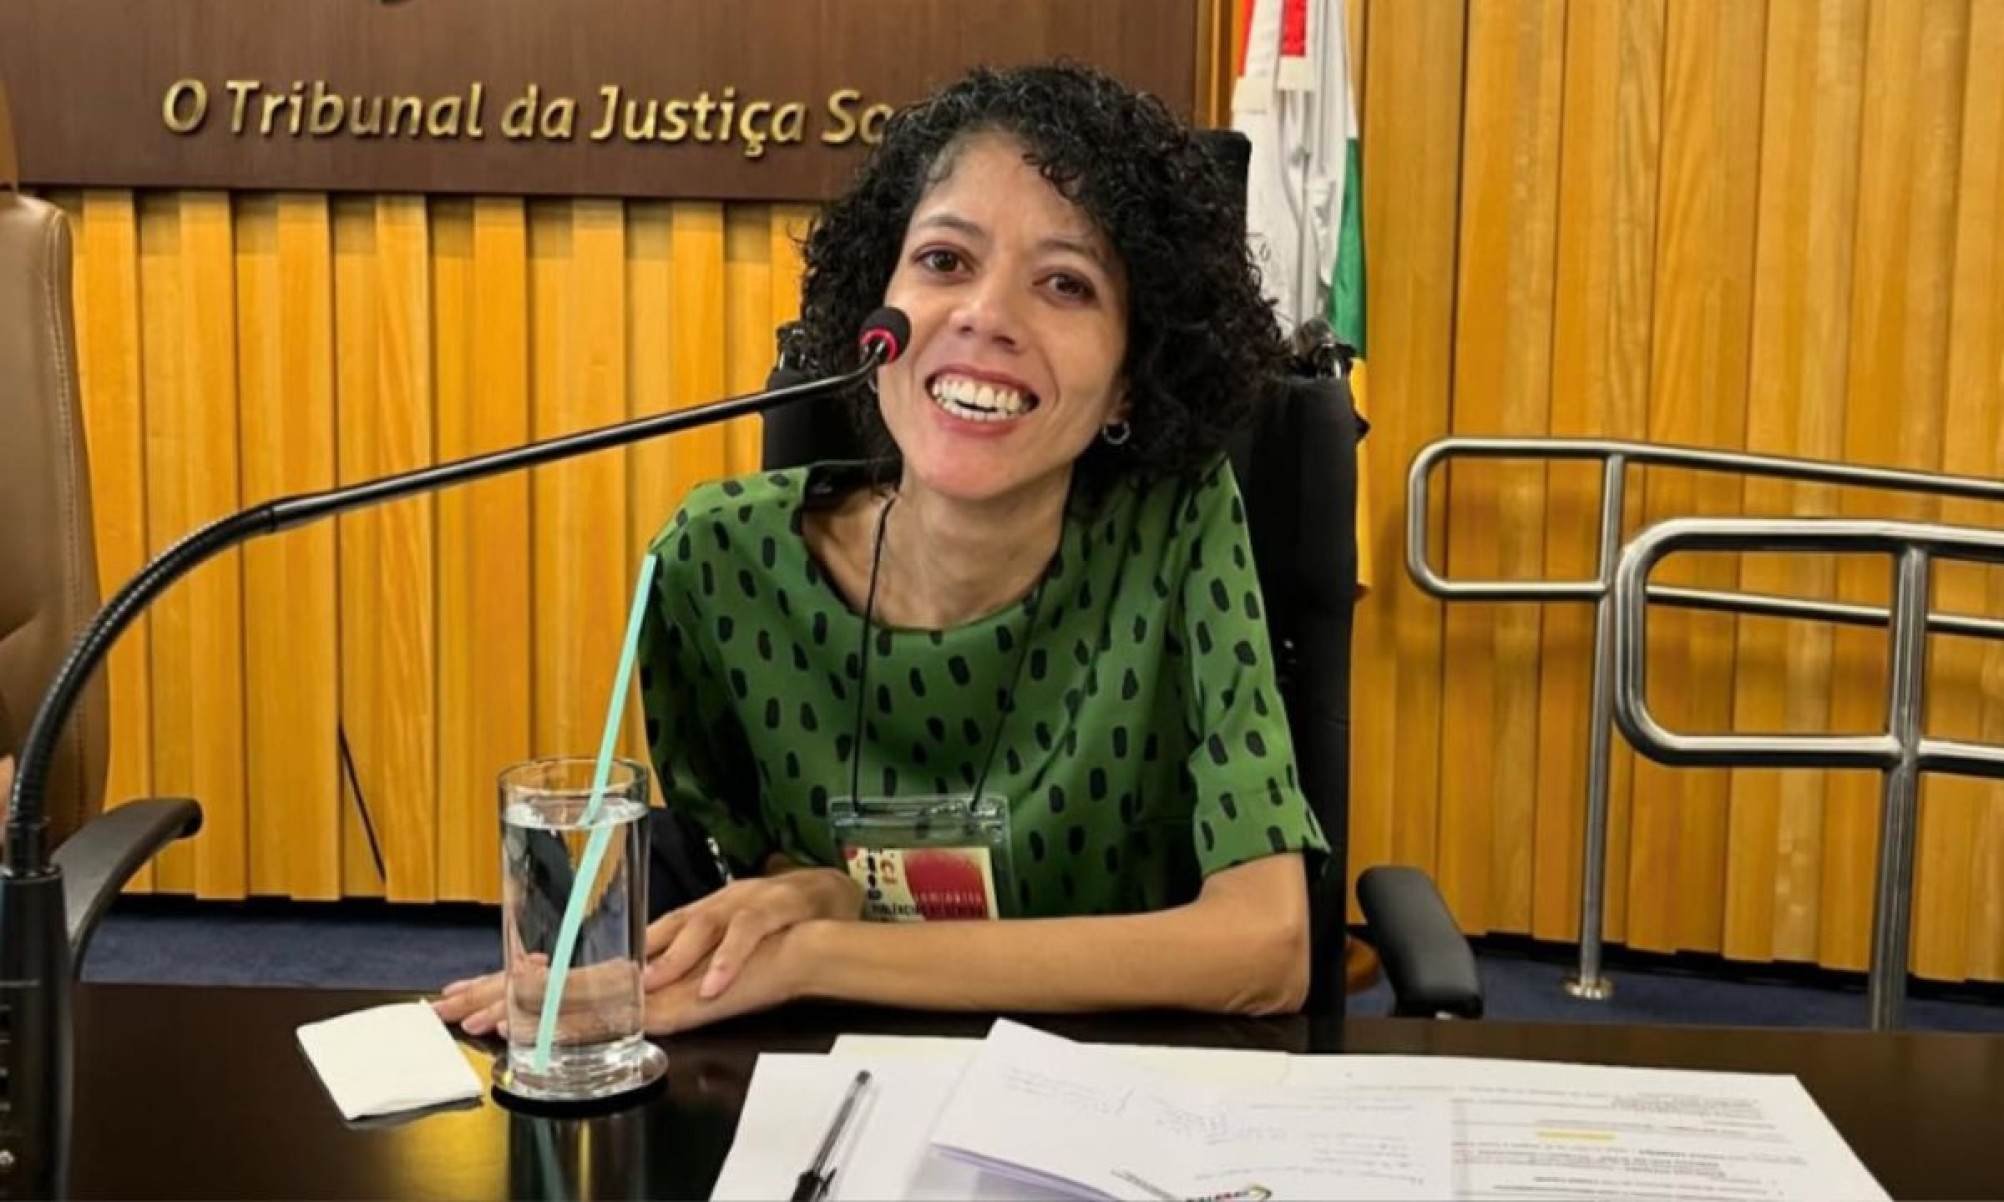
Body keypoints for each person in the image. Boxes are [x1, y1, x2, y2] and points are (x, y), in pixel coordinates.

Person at [437, 62, 1326, 1038]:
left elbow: (1267, 947)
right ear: (875, 310)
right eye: (945, 260)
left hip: (1118, 1096)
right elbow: (736, 866)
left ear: (1130, 375)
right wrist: (819, 892)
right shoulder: (718, 565)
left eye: (1065, 283)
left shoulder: (1178, 526)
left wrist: (818, 952)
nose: (985, 315)